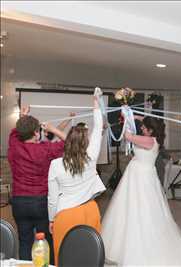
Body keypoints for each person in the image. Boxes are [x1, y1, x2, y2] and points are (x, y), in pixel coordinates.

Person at [101, 115, 181, 266]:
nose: (142, 128)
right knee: (130, 208)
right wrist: (134, 116)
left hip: (142, 179)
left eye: (144, 127)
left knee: (142, 209)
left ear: (150, 130)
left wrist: (126, 118)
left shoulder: (149, 140)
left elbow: (127, 136)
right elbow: (142, 126)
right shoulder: (150, 138)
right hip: (137, 177)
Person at [47, 97, 106, 265]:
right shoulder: (91, 157)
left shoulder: (55, 165)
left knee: (65, 257)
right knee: (90, 256)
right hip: (90, 211)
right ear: (85, 143)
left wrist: (51, 220)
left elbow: (52, 198)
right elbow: (97, 130)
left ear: (66, 142)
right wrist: (96, 105)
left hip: (65, 215)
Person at [7, 107, 68, 264]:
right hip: (40, 202)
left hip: (19, 203)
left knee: (25, 241)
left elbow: (16, 132)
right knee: (46, 241)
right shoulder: (45, 149)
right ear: (36, 133)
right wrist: (53, 129)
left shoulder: (14, 145)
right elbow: (71, 143)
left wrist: (23, 116)